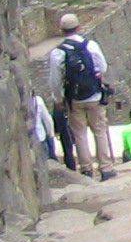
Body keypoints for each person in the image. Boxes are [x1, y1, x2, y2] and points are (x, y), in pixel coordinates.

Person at [46, 13, 114, 180]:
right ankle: (106, 168)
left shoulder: (58, 52)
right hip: (94, 95)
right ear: (78, 27)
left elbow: (55, 79)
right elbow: (102, 67)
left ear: (62, 30)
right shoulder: (90, 45)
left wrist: (59, 99)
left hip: (74, 99)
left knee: (80, 134)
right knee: (99, 131)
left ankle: (86, 169)